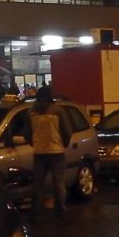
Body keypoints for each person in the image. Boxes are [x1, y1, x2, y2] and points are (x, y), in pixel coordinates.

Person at [27, 85, 72, 222]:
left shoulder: (31, 112)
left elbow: (26, 134)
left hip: (39, 152)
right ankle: (61, 213)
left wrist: (34, 143)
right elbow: (66, 131)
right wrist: (63, 143)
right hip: (56, 151)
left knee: (38, 184)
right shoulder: (58, 111)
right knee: (58, 183)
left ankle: (37, 214)